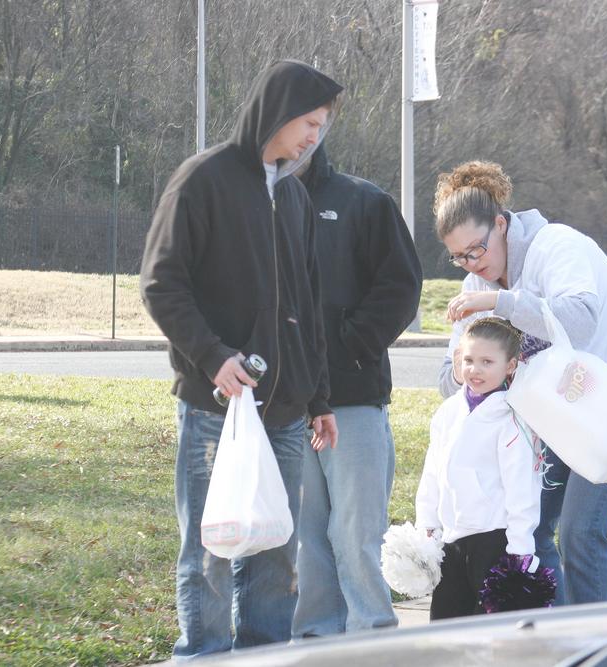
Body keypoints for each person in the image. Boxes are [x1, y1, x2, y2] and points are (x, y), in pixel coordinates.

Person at [139, 60, 342, 659]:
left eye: (323, 126)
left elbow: (308, 306)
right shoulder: (202, 178)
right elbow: (161, 283)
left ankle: (261, 657)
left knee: (276, 551)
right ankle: (202, 655)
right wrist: (212, 357)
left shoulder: (298, 198)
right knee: (211, 550)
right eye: (308, 122)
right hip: (216, 407)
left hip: (285, 412)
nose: (314, 136)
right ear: (276, 111)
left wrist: (321, 397)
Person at [434, 160, 607, 606]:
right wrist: (476, 368)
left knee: (582, 533)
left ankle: (600, 648)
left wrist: (502, 302)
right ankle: (556, 640)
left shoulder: (556, 246)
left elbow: (579, 321)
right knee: (530, 529)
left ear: (501, 225)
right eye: (459, 256)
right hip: (557, 414)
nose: (471, 264)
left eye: (477, 250)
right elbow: (451, 377)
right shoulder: (475, 283)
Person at [291, 145, 423, 637]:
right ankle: (315, 639)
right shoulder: (258, 203)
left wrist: (349, 347)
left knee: (357, 534)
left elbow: (401, 286)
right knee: (304, 538)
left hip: (353, 399)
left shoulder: (364, 202)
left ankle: (371, 636)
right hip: (285, 403)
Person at [415, 317, 543, 620]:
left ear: (510, 365)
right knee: (446, 625)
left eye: (487, 361)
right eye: (469, 360)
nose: (475, 370)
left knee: (491, 633)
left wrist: (520, 550)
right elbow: (433, 471)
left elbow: (521, 489)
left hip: (494, 541)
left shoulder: (512, 420)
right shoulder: (448, 411)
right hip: (451, 540)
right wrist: (427, 523)